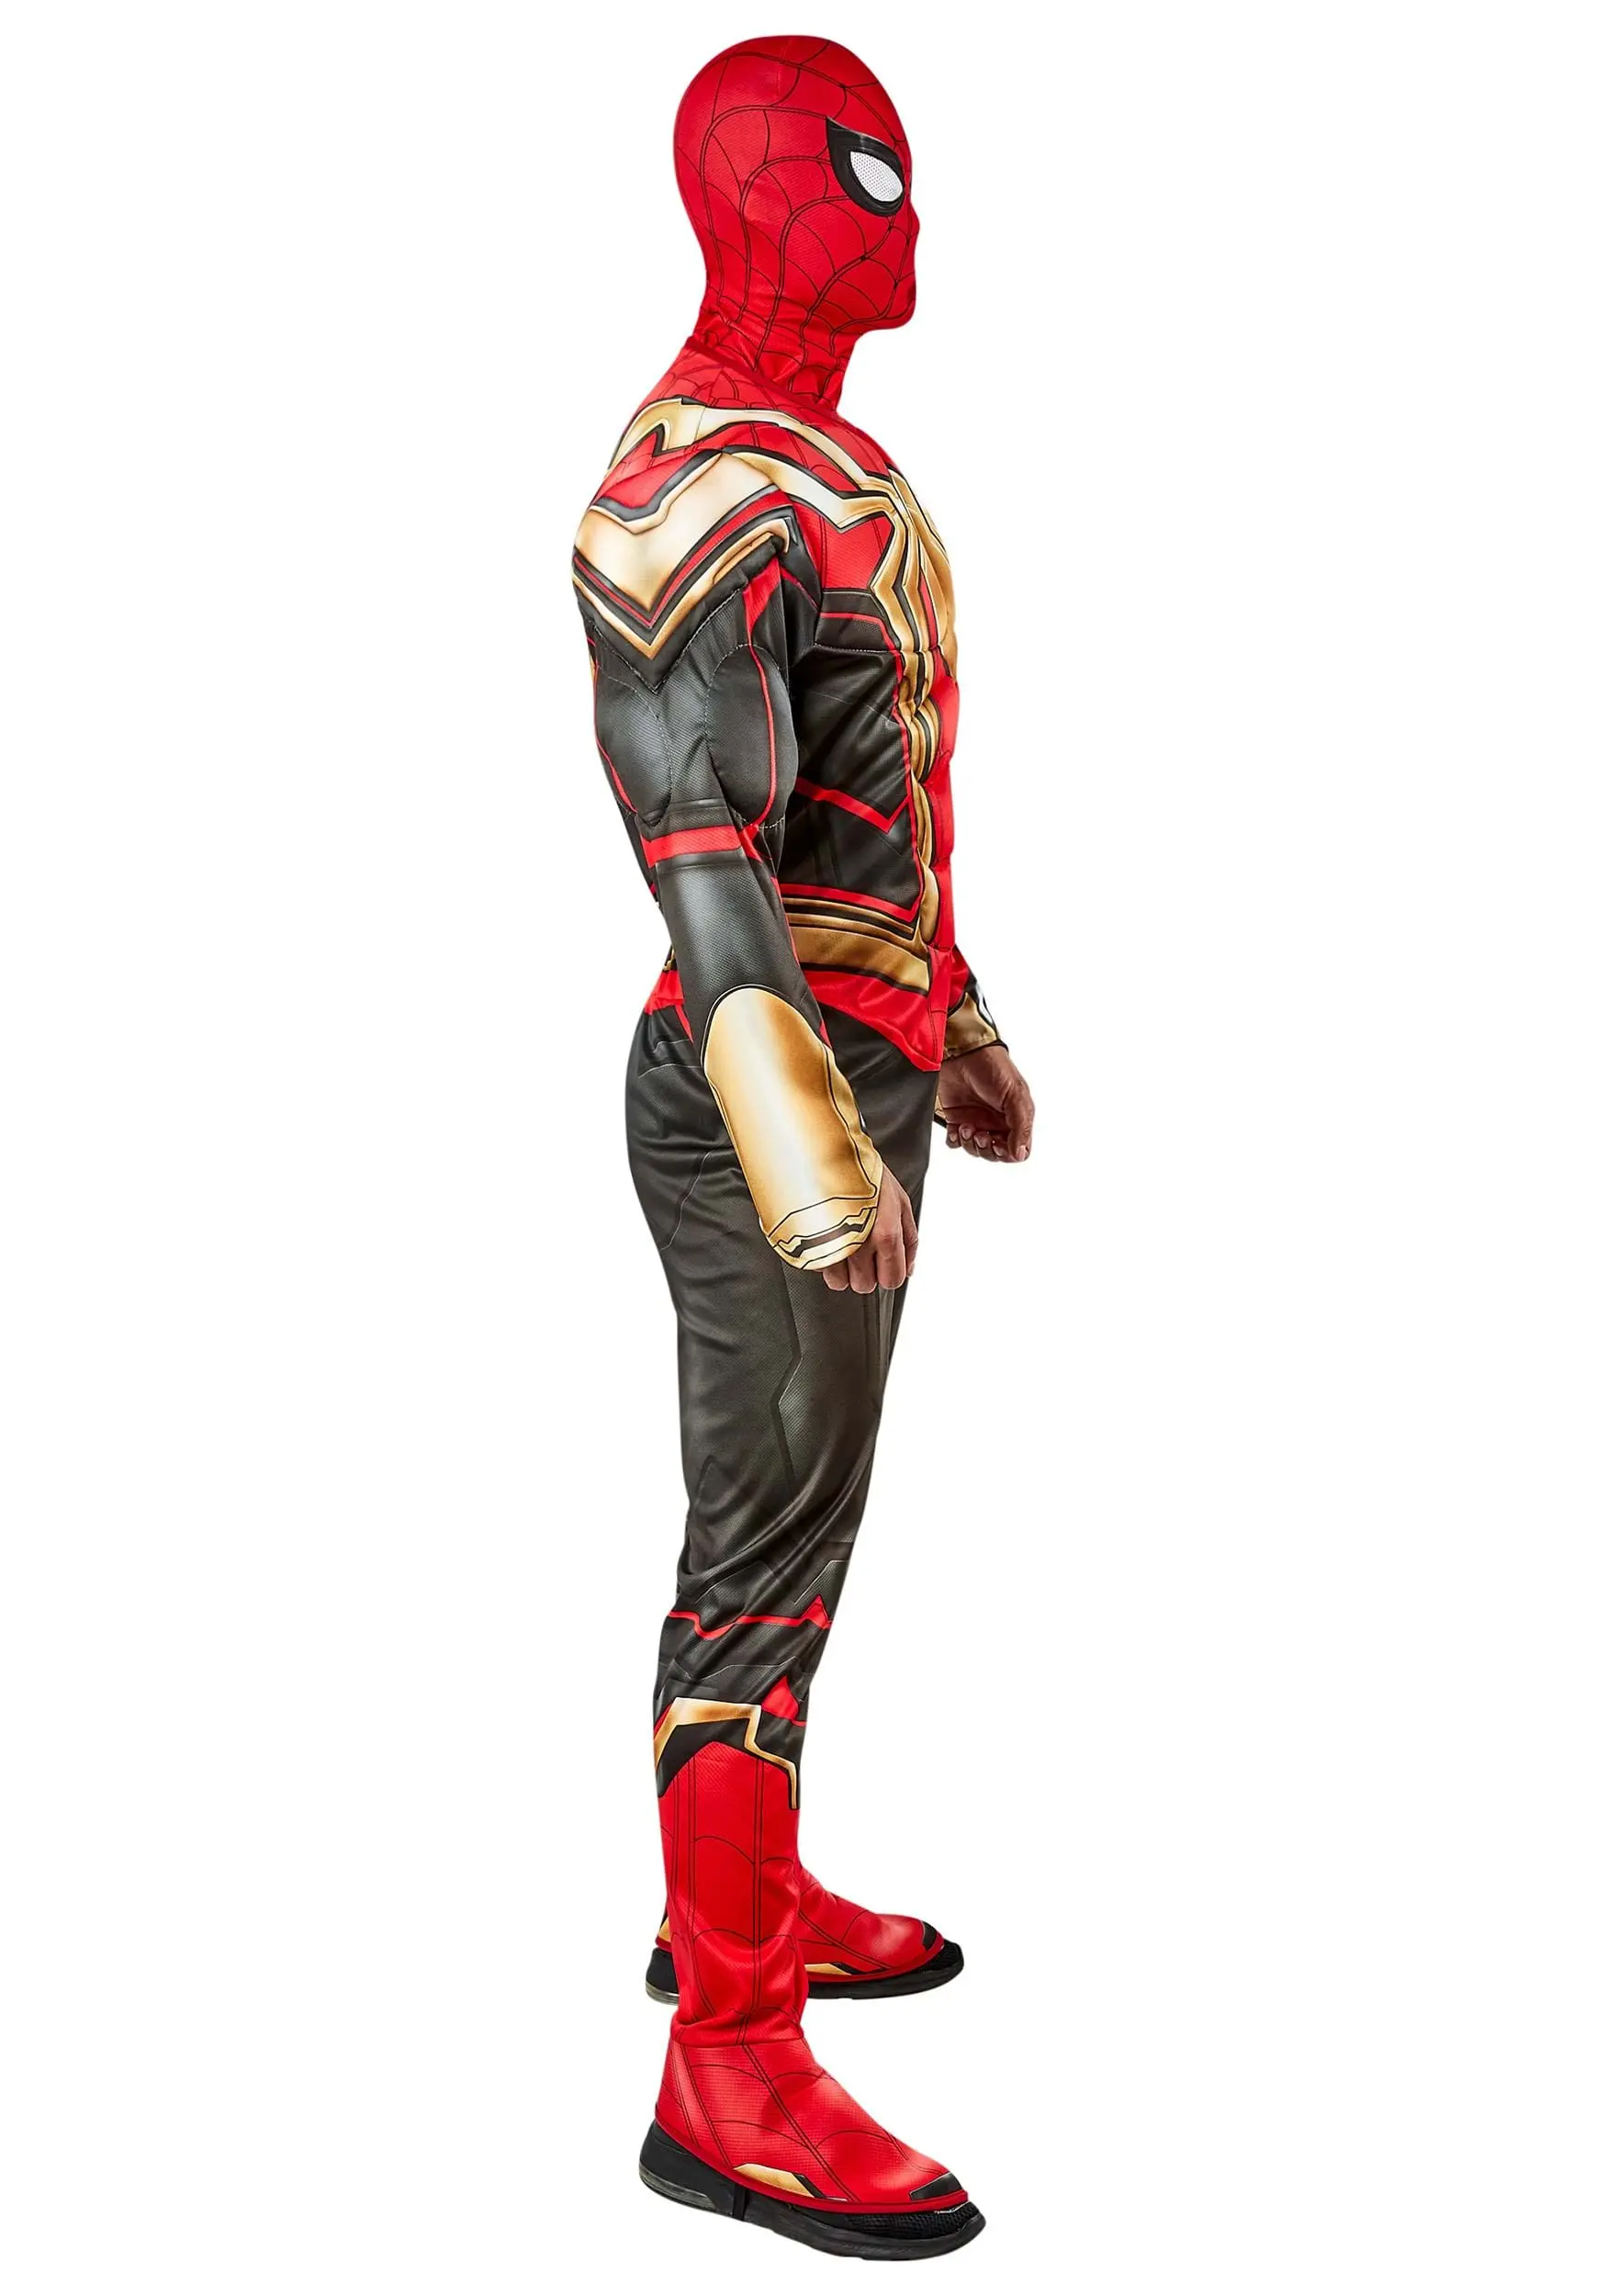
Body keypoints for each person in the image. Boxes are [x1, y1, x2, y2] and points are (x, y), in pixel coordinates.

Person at [571, 35, 1033, 2261]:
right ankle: (725, 2062)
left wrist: (957, 1018)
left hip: (856, 1068)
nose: (906, 213)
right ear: (753, 192)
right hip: (767, 1103)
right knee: (753, 1553)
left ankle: (740, 1896)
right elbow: (702, 847)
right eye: (863, 171)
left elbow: (867, 806)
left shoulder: (837, 469)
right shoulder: (693, 491)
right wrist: (805, 1153)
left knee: (805, 1525)